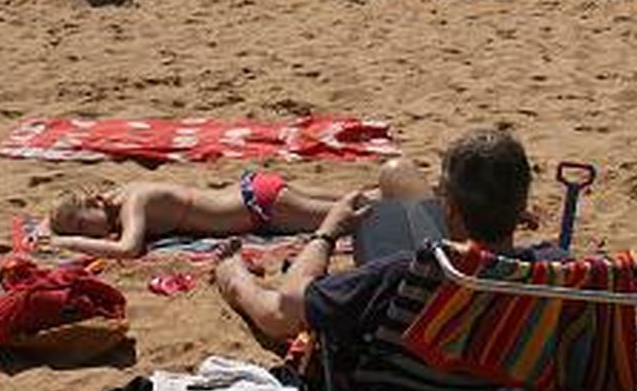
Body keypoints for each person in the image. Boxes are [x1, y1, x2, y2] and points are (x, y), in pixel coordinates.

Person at [215, 128, 540, 347]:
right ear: (520, 206)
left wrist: (327, 234)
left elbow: (283, 313)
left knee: (279, 306)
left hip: (402, 376)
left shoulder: (401, 276)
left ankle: (234, 278)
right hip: (479, 349)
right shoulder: (548, 270)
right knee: (397, 173)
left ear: (449, 208)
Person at [40, 173, 364, 260]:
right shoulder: (120, 196)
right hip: (254, 192)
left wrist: (68, 242)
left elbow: (129, 249)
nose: (86, 233)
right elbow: (51, 220)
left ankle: (397, 199)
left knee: (359, 214)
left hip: (258, 208)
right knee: (359, 198)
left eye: (82, 225)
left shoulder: (133, 203)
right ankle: (394, 189)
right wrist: (56, 230)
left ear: (94, 202)